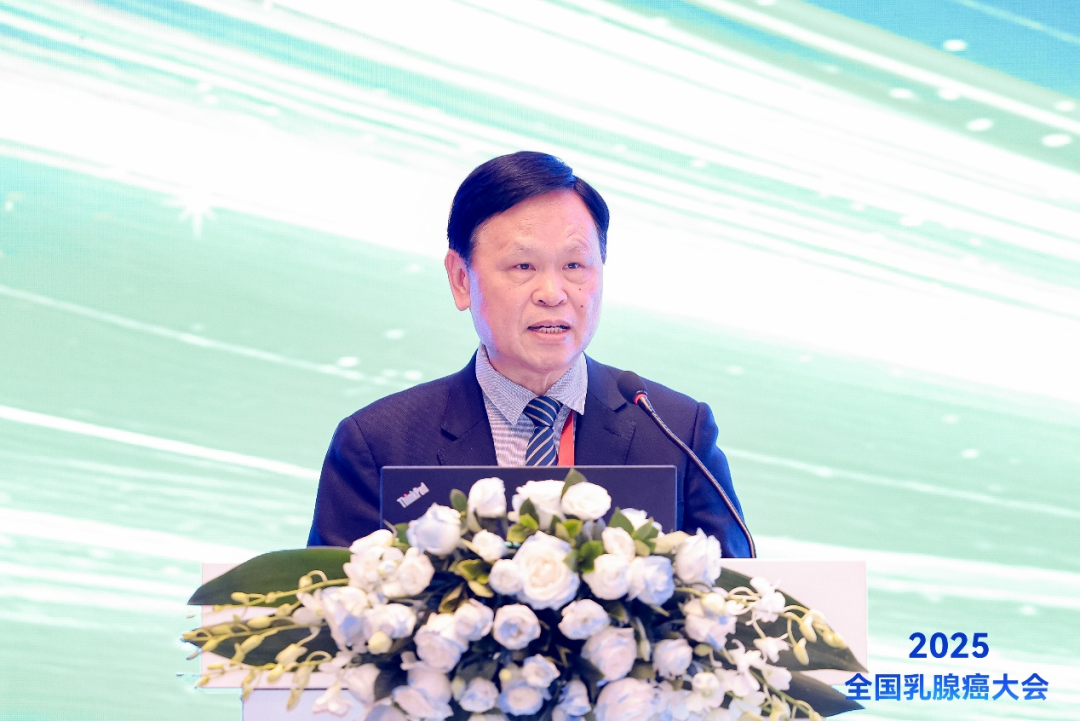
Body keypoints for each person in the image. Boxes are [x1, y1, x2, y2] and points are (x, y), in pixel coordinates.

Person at [307, 151, 751, 556]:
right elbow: (331, 608)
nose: (553, 293)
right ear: (461, 279)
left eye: (574, 265)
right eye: (523, 266)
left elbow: (739, 599)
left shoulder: (676, 433)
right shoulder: (379, 445)